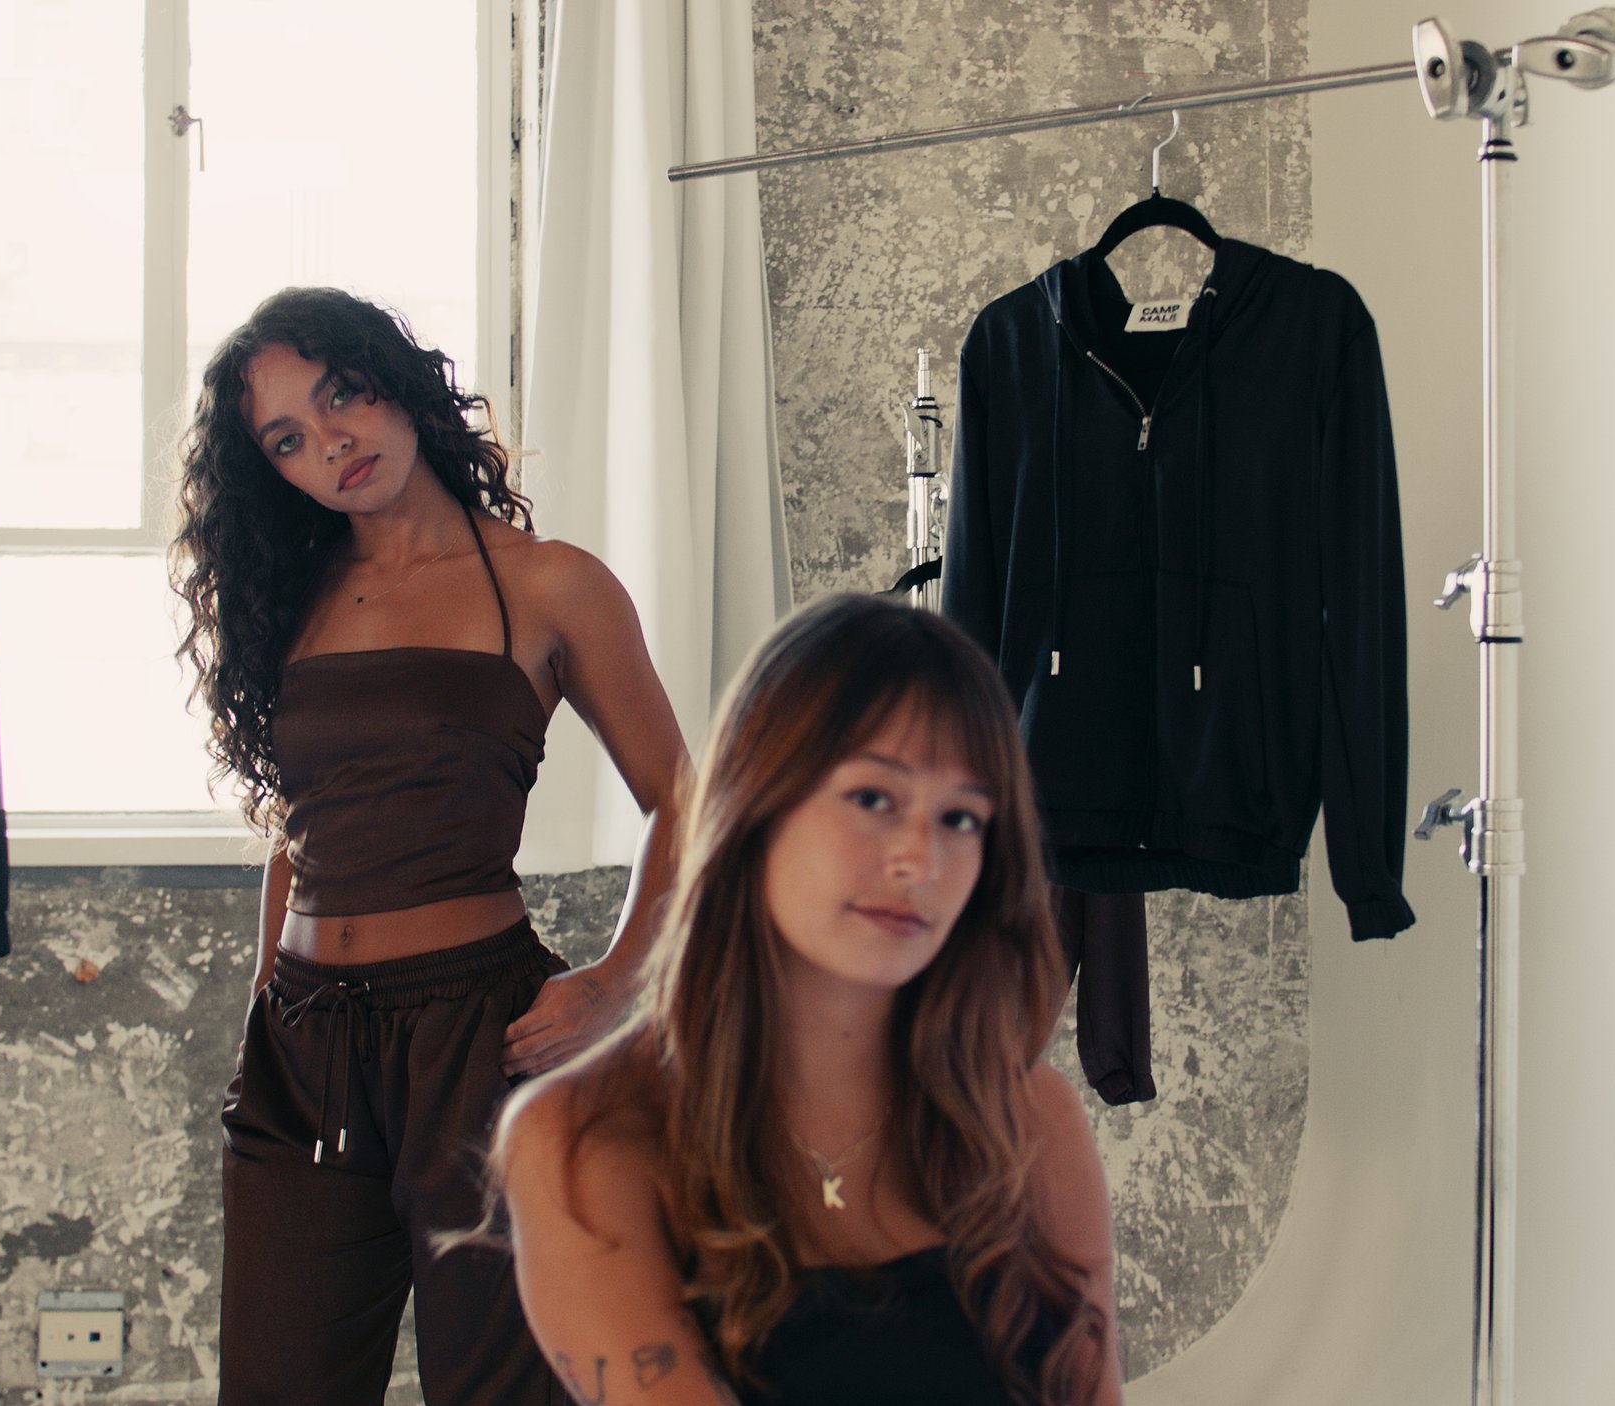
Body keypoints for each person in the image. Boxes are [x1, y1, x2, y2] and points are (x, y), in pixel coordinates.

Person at [171, 287, 688, 1406]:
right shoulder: (291, 595)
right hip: (305, 1044)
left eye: (341, 395)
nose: (330, 444)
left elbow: (686, 803)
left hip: (477, 1038)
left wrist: (617, 983)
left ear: (398, 383)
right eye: (286, 440)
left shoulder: (551, 584)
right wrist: (266, 999)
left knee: (502, 1389)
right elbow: (303, 820)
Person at [490, 594, 1124, 1406]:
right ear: (754, 806)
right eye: (873, 799)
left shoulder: (1032, 1118)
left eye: (962, 817)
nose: (920, 858)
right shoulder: (582, 1138)